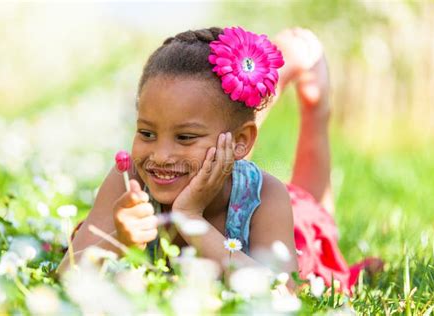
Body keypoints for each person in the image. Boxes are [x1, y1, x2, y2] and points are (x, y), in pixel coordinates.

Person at [57, 26, 367, 292]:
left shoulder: (269, 198)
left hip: (282, 221)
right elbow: (66, 273)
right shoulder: (131, 181)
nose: (159, 157)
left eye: (185, 137)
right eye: (146, 133)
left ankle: (315, 105)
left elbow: (281, 295)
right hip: (224, 160)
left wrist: (190, 218)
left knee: (314, 213)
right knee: (212, 142)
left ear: (244, 142)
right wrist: (119, 240)